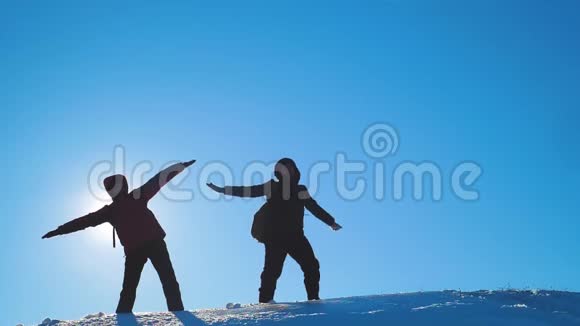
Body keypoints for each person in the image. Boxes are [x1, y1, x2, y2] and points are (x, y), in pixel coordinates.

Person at [42, 159, 196, 313]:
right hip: (149, 244)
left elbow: (84, 221)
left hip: (138, 248)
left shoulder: (113, 209)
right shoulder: (134, 197)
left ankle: (124, 316)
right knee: (165, 280)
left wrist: (59, 230)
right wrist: (180, 166)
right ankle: (175, 312)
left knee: (131, 288)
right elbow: (158, 179)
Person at [207, 158, 342, 303]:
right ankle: (265, 303)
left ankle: (314, 300)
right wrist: (222, 189)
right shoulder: (271, 186)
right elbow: (247, 191)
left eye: (290, 167)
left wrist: (331, 222)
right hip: (275, 237)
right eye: (284, 167)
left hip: (296, 236)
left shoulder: (300, 189)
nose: (288, 170)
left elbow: (314, 207)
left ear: (295, 170)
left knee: (312, 266)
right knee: (271, 271)